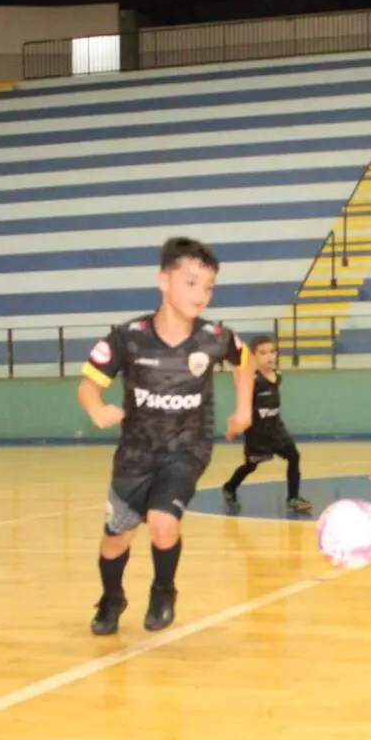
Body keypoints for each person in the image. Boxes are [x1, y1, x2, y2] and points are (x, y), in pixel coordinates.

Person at [78, 237, 254, 635]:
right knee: (116, 539)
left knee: (162, 520)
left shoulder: (215, 337)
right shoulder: (127, 337)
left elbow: (243, 361)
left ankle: (163, 589)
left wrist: (243, 409)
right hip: (135, 456)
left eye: (209, 286)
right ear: (163, 280)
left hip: (187, 449)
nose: (202, 294)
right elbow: (88, 385)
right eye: (191, 283)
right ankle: (112, 597)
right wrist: (97, 409)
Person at [221, 336, 312, 514]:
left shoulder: (277, 377)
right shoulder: (252, 380)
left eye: (272, 352)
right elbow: (242, 404)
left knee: (294, 456)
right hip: (257, 432)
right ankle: (229, 488)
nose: (269, 356)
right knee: (251, 465)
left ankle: (292, 498)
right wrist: (233, 427)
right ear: (254, 357)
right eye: (263, 353)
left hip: (276, 428)